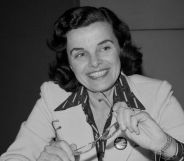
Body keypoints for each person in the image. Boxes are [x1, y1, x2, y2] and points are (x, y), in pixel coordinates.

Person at [1, 6, 184, 161]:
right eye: (80, 54)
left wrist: (166, 146)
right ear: (69, 63)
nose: (94, 62)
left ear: (120, 48)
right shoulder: (51, 96)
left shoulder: (158, 94)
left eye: (104, 48)